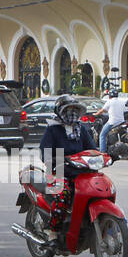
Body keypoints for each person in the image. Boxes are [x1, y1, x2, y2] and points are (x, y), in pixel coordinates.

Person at [38, 96, 98, 228]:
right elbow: (45, 152)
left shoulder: (81, 129)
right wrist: (55, 160)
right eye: (68, 109)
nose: (72, 113)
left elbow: (92, 149)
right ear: (60, 111)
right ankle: (52, 231)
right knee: (63, 194)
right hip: (57, 171)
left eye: (74, 109)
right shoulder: (52, 129)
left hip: (81, 171)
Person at [96, 89, 128, 155]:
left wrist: (96, 114)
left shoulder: (109, 102)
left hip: (112, 122)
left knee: (102, 135)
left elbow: (102, 110)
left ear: (110, 95)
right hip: (121, 121)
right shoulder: (122, 102)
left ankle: (102, 152)